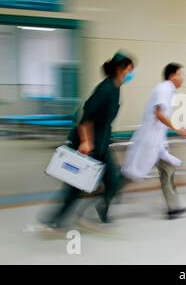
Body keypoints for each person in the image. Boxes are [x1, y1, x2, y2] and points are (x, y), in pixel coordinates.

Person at [43, 51, 135, 229]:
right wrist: (86, 141)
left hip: (102, 143)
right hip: (89, 144)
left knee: (113, 181)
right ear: (119, 69)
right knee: (76, 185)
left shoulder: (115, 88)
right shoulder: (105, 89)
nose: (130, 74)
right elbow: (85, 118)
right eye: (129, 70)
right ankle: (55, 219)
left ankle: (103, 208)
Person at [121, 63, 186, 219]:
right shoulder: (164, 89)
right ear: (172, 76)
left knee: (167, 170)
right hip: (149, 141)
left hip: (157, 142)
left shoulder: (168, 90)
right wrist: (178, 128)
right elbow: (158, 114)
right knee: (131, 173)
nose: (182, 78)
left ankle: (173, 208)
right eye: (180, 74)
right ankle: (107, 196)